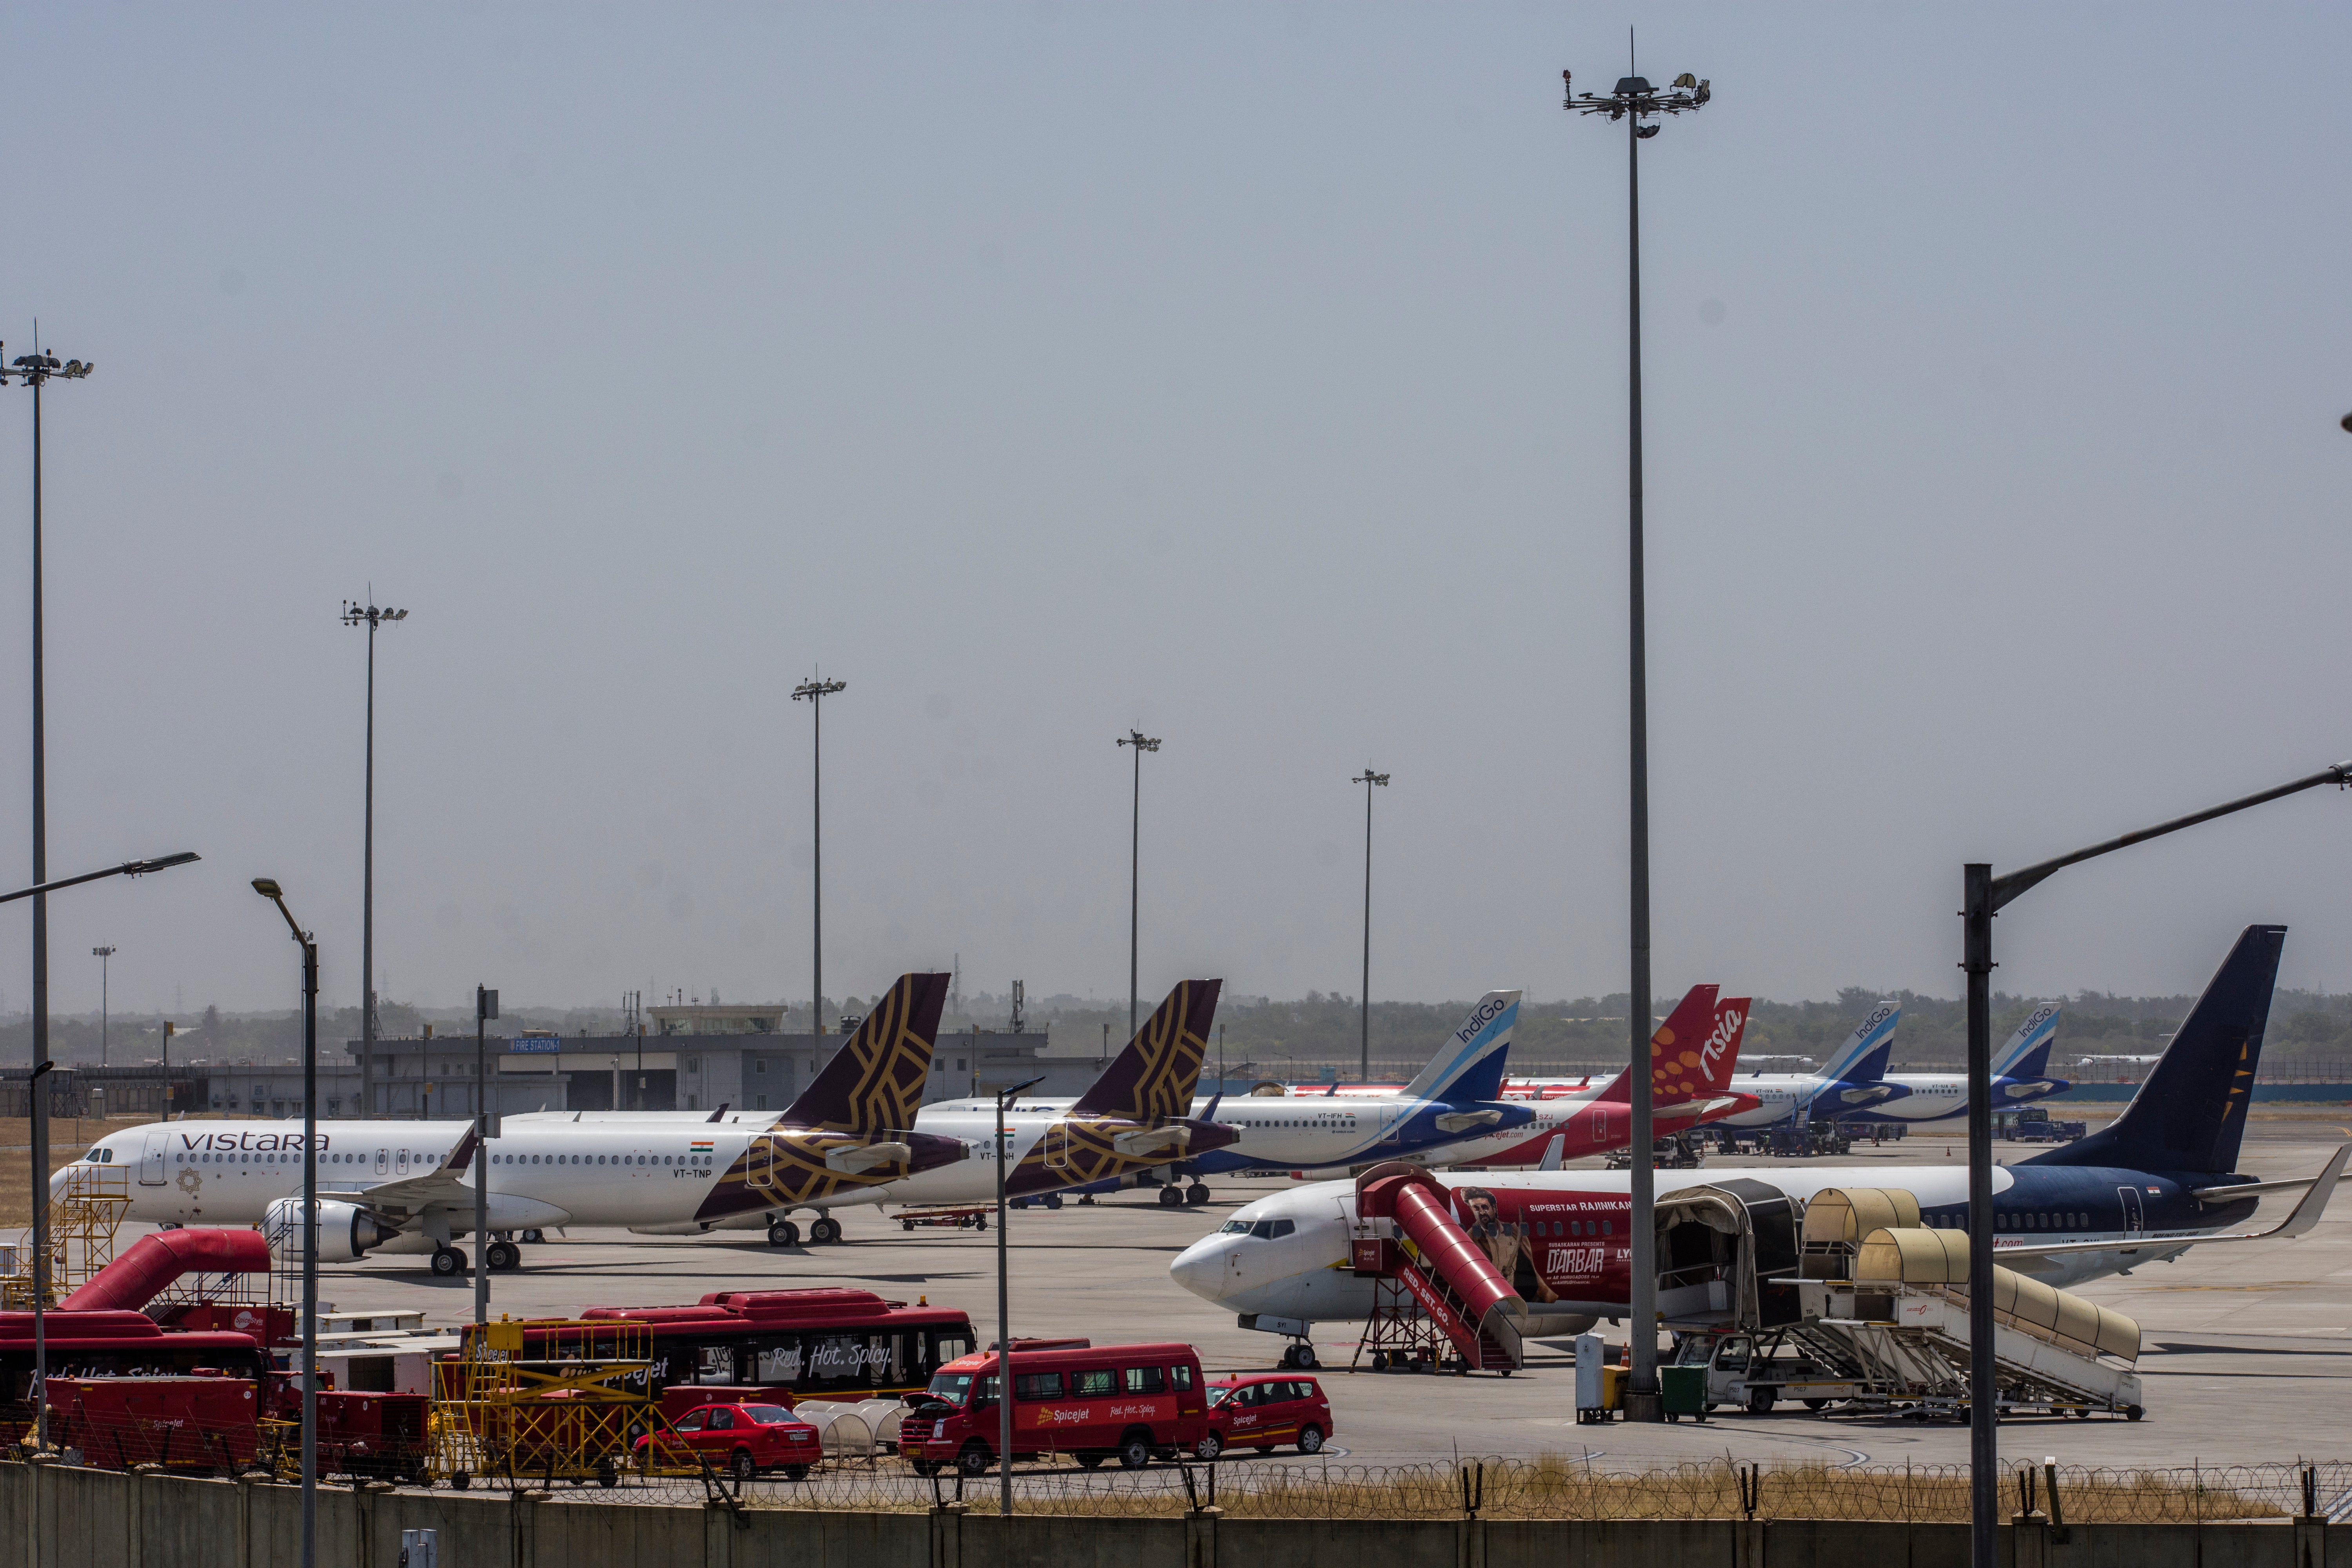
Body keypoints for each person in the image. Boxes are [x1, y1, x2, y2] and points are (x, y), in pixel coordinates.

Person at [1460, 1187, 1558, 1304]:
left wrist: (1548, 1296)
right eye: (1476, 1208)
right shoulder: (1469, 1238)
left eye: (1485, 1207)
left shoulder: (1515, 1232)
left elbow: (1532, 1269)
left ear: (1494, 1208)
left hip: (1517, 1298)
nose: (1481, 1212)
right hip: (1491, 1299)